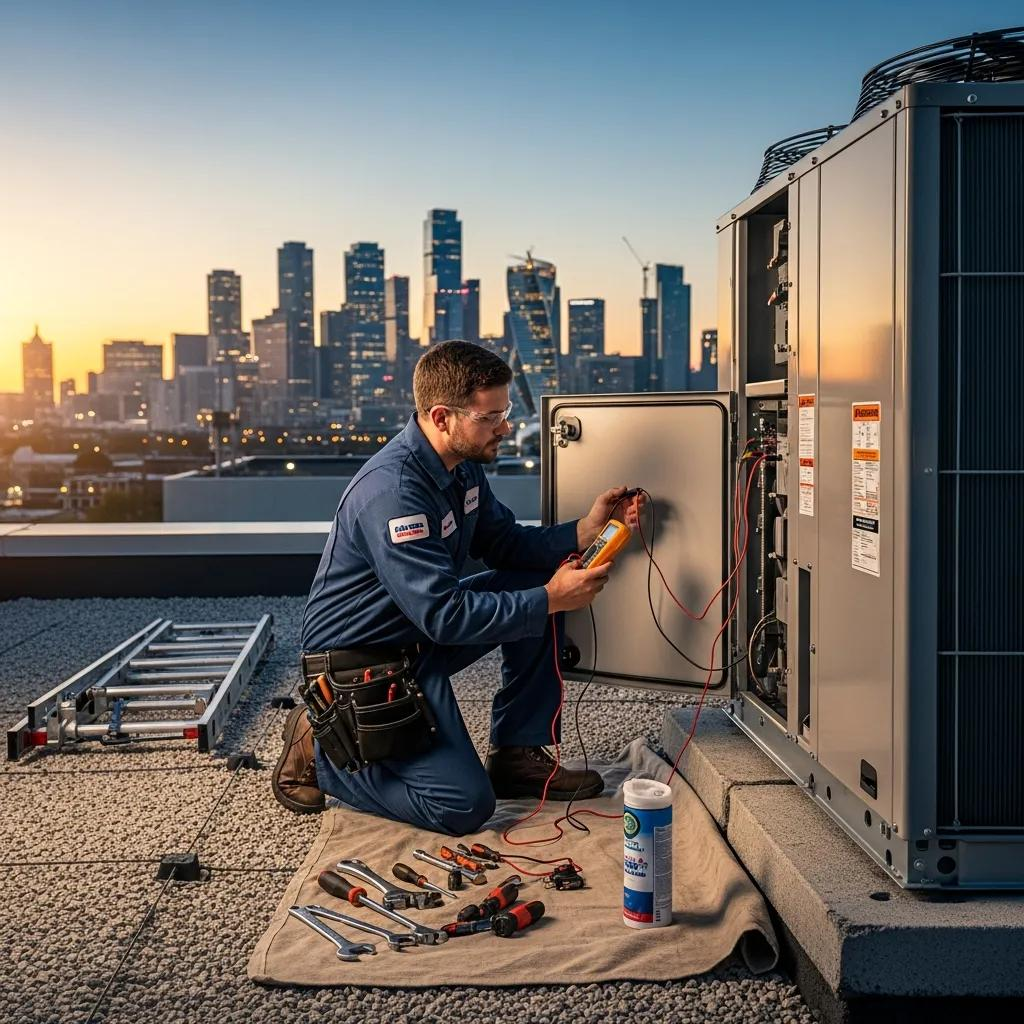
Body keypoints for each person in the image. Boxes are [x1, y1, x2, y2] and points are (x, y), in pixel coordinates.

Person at [272, 340, 641, 836]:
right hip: (359, 660)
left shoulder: (460, 467)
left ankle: (516, 754)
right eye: (491, 417)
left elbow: (505, 544)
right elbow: (445, 616)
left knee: (534, 581)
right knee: (462, 807)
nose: (505, 428)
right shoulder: (394, 493)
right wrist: (551, 599)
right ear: (442, 418)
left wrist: (584, 531)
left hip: (417, 636)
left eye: (505, 413)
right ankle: (320, 749)